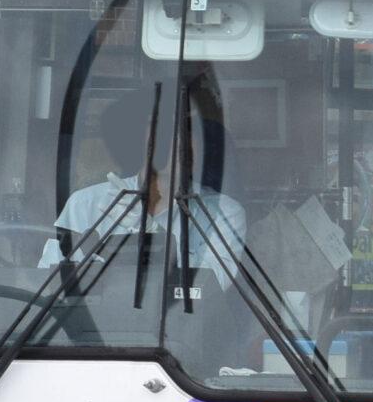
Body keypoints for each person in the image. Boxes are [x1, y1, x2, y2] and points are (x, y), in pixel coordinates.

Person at [41, 91, 249, 272]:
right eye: (162, 128)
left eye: (188, 130)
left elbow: (212, 289)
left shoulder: (224, 214)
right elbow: (51, 284)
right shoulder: (85, 205)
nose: (177, 141)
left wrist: (155, 237)